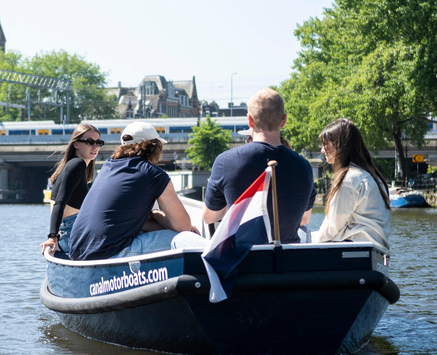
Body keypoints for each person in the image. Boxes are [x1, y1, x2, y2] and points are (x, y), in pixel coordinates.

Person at [69, 121, 196, 261]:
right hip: (111, 254)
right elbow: (184, 226)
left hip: (79, 255)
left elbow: (139, 224)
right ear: (155, 146)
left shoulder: (108, 167)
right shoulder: (153, 174)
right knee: (186, 239)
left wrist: (151, 217)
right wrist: (156, 214)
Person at [202, 89, 316, 243]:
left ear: (250, 120)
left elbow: (209, 217)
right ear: (283, 120)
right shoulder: (304, 167)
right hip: (286, 260)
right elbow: (304, 220)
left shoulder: (225, 162)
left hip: (242, 260)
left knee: (181, 239)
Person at [312, 119, 391, 251]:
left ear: (339, 145)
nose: (322, 150)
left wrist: (306, 240)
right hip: (375, 251)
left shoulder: (350, 179)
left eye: (326, 144)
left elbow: (332, 228)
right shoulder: (372, 176)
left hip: (355, 250)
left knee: (301, 238)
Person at [40, 123, 102, 254]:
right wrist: (52, 237)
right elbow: (60, 202)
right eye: (90, 142)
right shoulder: (77, 165)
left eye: (98, 142)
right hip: (73, 232)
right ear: (76, 144)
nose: (95, 146)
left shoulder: (74, 166)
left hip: (72, 231)